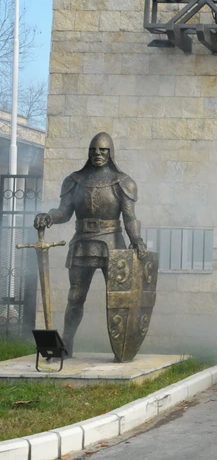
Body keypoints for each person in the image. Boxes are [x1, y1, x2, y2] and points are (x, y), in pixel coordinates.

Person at [33, 132, 147, 357]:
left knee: (118, 299)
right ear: (88, 152)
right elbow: (64, 211)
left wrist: (137, 240)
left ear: (110, 153)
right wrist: (49, 216)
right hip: (82, 243)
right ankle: (66, 344)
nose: (98, 154)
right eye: (94, 150)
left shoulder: (123, 182)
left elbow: (129, 217)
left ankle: (122, 349)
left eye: (103, 150)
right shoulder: (74, 181)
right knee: (75, 297)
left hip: (112, 245)